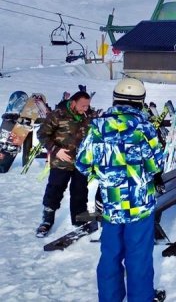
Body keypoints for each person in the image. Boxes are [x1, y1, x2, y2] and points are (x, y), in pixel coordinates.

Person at [75, 78, 166, 302]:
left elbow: (82, 162)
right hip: (140, 206)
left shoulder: (97, 126)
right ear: (141, 102)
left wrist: (102, 174)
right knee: (139, 258)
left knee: (110, 256)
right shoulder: (144, 127)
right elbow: (156, 165)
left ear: (116, 99)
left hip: (111, 205)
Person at [35, 91, 93, 237]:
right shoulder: (58, 114)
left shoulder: (89, 115)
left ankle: (79, 219)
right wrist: (55, 149)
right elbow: (42, 134)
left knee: (80, 191)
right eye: (83, 105)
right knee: (55, 189)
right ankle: (47, 220)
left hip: (81, 162)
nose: (85, 109)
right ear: (73, 102)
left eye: (87, 105)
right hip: (61, 161)